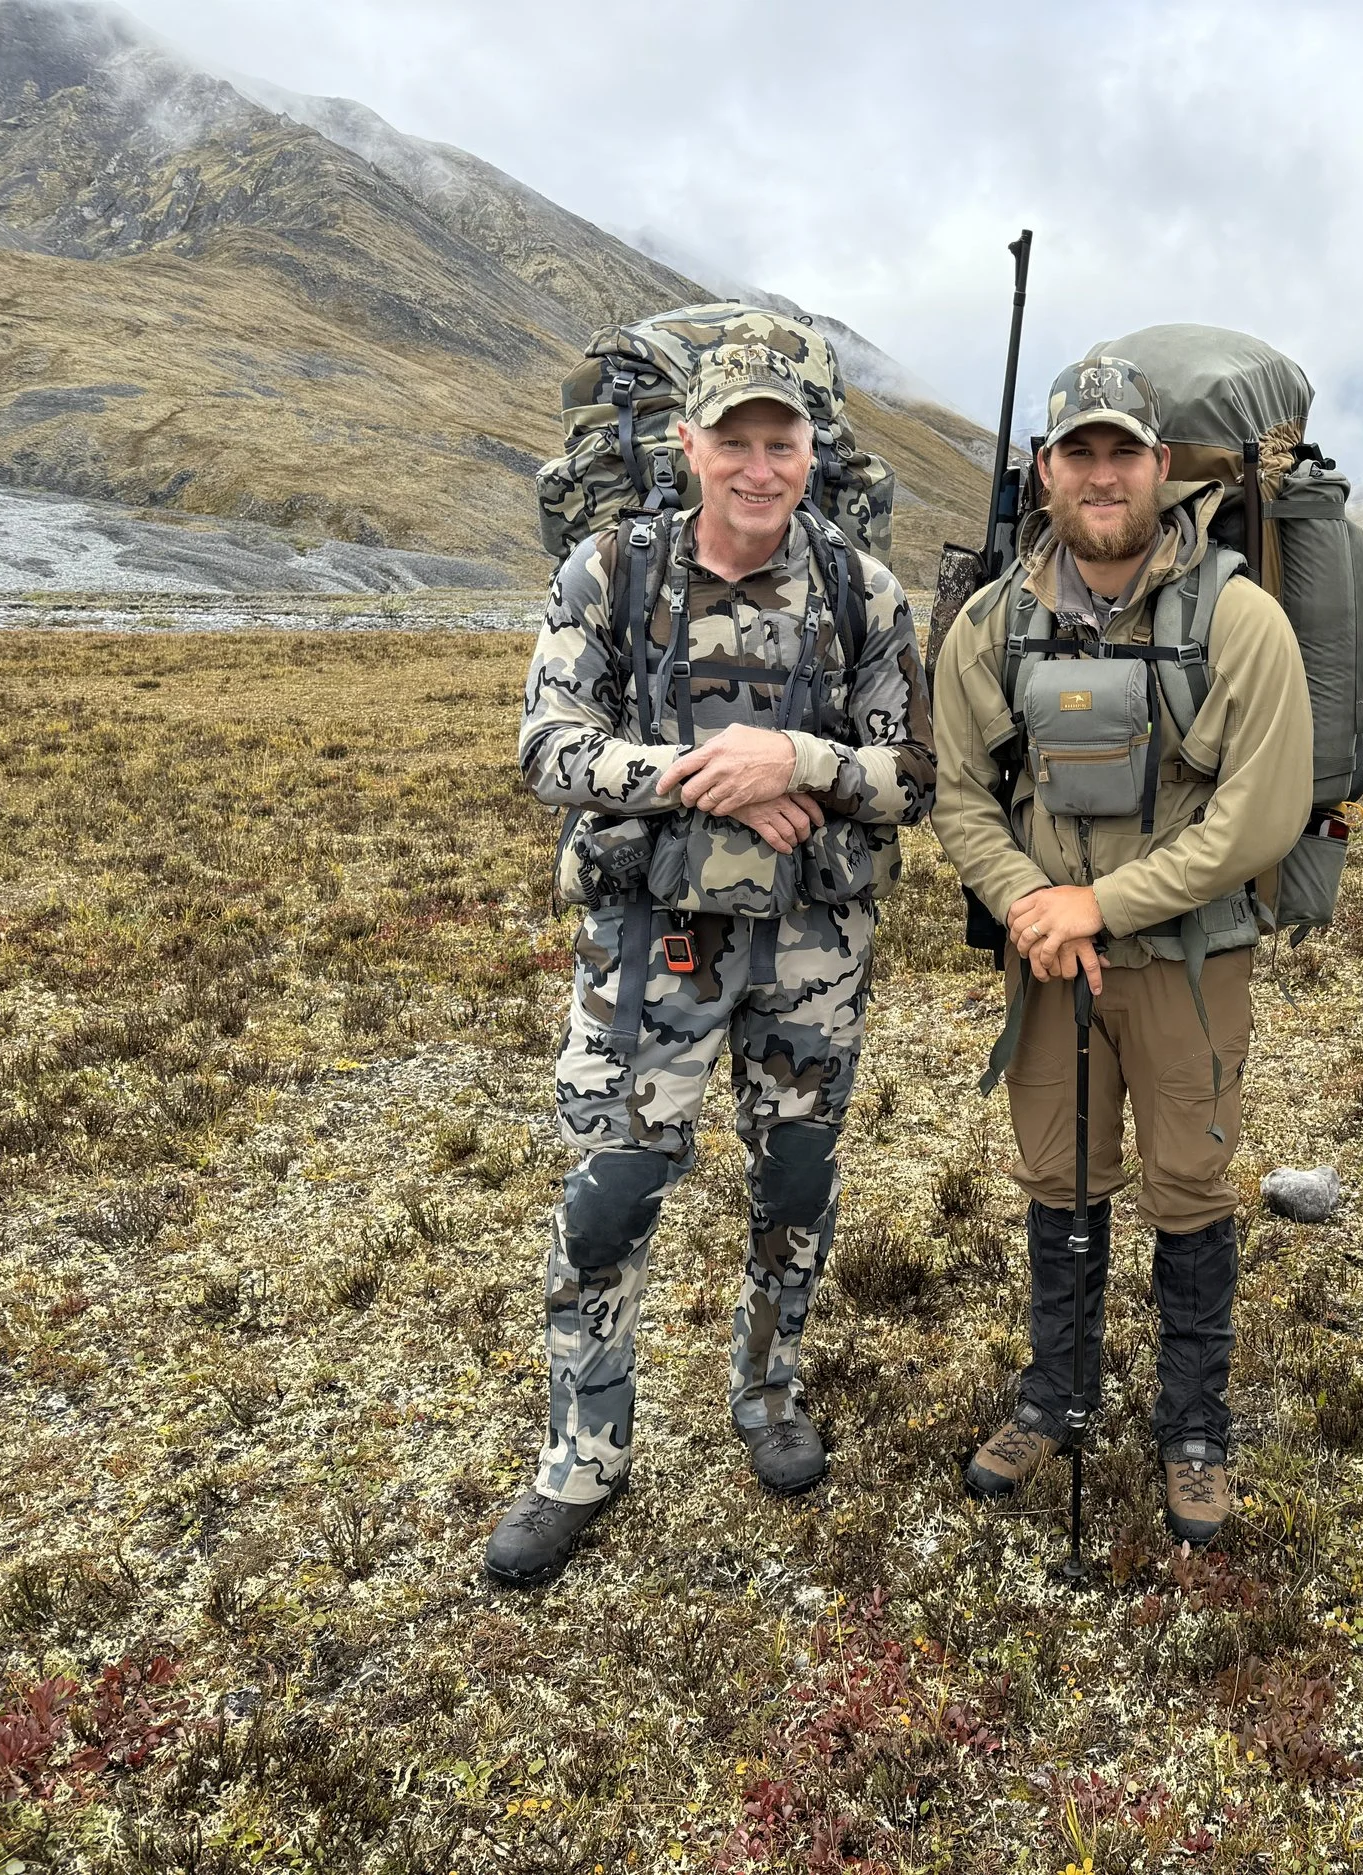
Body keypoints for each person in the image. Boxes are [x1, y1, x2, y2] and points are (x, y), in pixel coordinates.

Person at [487, 341, 934, 1585]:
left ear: (808, 456)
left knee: (793, 1184)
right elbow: (548, 747)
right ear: (687, 447)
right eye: (730, 441)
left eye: (778, 442)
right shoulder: (611, 572)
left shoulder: (863, 592)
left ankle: (768, 1393)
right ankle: (581, 1456)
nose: (755, 465)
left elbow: (916, 774)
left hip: (812, 952)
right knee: (613, 1197)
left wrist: (798, 763)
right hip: (649, 950)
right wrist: (704, 783)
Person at [930, 355, 1312, 1547]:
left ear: (1162, 469)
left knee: (1189, 1186)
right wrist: (1035, 907)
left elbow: (1261, 811)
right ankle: (1057, 1392)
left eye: (1125, 455)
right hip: (1047, 962)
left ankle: (1193, 1424)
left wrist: (1106, 906)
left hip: (1190, 963)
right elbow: (957, 794)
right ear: (1045, 470)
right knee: (1058, 1173)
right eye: (1078, 455)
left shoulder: (1239, 618)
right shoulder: (992, 623)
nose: (1102, 478)